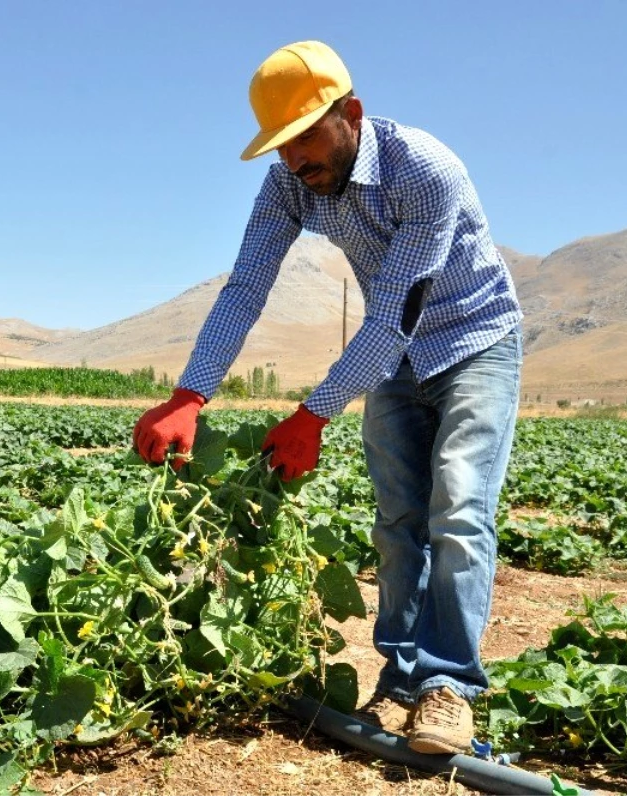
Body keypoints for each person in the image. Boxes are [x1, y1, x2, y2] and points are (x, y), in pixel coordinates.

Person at [132, 40, 522, 755]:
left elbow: (390, 316)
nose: (294, 160)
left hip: (474, 341)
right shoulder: (289, 185)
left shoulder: (423, 170)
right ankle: (401, 680)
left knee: (459, 505)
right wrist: (191, 394)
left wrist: (313, 413)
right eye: (280, 145)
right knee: (398, 516)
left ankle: (449, 686)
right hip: (395, 357)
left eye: (305, 135)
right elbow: (247, 286)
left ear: (351, 114)